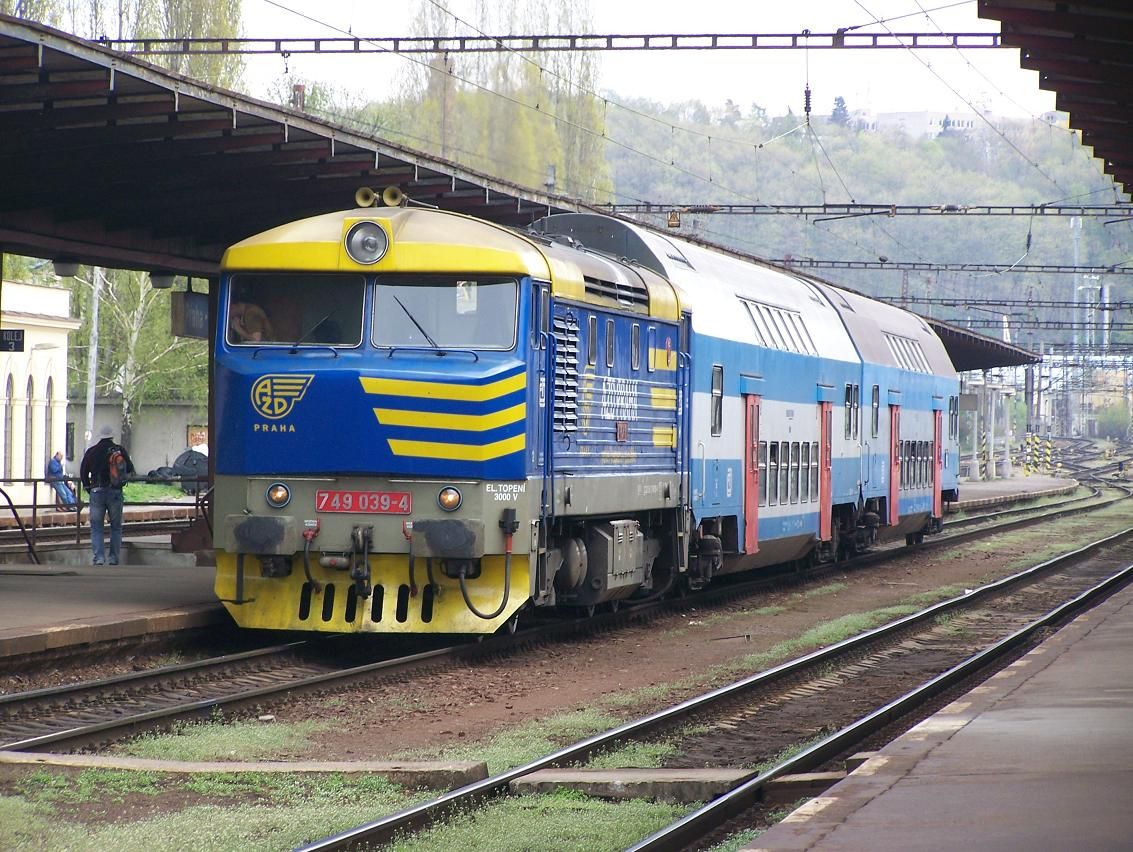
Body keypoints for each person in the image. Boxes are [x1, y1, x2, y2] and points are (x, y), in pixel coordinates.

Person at [80, 425, 136, 566]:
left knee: (97, 527)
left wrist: (89, 488)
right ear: (112, 436)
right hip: (115, 492)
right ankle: (113, 558)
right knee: (116, 527)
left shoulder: (92, 451)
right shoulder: (119, 450)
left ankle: (99, 558)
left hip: (97, 492)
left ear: (100, 436)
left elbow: (83, 472)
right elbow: (130, 468)